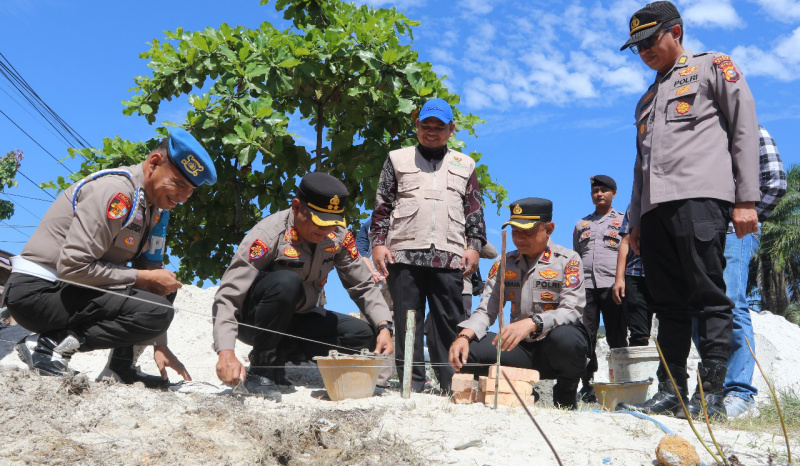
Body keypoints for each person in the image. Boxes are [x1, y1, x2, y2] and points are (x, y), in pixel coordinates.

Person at [616, 1, 761, 419]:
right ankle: (672, 390)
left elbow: (743, 126)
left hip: (701, 199)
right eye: (636, 47)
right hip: (656, 212)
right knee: (668, 303)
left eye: (650, 41)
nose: (644, 52)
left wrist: (745, 199)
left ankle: (711, 393)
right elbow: (639, 167)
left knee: (709, 296)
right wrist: (636, 222)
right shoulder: (645, 100)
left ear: (675, 32)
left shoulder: (713, 66)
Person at [3, 128, 216, 387]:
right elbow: (73, 266)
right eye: (179, 184)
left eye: (190, 190)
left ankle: (121, 368)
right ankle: (48, 344)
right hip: (38, 292)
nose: (183, 197)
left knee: (164, 288)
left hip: (69, 290)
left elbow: (152, 274)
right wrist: (140, 277)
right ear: (154, 163)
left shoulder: (154, 209)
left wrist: (160, 343)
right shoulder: (117, 192)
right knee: (153, 300)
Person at [213, 172, 394, 401]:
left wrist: (384, 326)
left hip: (298, 319)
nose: (325, 232)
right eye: (319, 223)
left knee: (360, 335)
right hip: (254, 320)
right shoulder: (269, 234)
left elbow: (363, 286)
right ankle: (261, 369)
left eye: (332, 224)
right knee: (287, 282)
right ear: (297, 207)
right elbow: (228, 295)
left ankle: (282, 355)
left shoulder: (337, 237)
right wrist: (225, 351)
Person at [371, 97, 487, 393]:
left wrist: (473, 247)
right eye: (426, 125)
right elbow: (383, 205)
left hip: (449, 258)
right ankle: (411, 386)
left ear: (451, 129)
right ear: (417, 125)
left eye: (439, 126)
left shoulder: (464, 164)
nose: (431, 131)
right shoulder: (397, 159)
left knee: (449, 323)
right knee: (407, 321)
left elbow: (474, 210)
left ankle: (452, 387)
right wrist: (378, 244)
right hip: (404, 254)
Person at [449, 198, 591, 409]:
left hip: (554, 348)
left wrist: (532, 323)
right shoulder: (503, 263)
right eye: (515, 231)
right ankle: (521, 390)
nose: (519, 238)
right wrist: (463, 336)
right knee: (470, 350)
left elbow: (572, 309)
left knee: (568, 339)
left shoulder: (569, 260)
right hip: (520, 349)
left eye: (527, 232)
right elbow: (487, 309)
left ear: (549, 229)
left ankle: (566, 391)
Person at [692, 125, 787, 417]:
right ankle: (712, 392)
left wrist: (748, 219)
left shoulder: (750, 130)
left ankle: (740, 394)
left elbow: (776, 179)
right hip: (699, 230)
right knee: (699, 308)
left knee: (731, 304)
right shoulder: (699, 134)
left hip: (734, 231)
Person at [573, 175, 628, 403]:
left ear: (613, 193)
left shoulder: (624, 221)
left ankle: (622, 383)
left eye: (604, 190)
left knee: (617, 335)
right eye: (596, 191)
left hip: (613, 286)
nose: (599, 194)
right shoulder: (581, 224)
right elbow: (576, 255)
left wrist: (621, 280)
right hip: (585, 288)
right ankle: (587, 385)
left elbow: (629, 253)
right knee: (586, 337)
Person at [354, 216, 395, 388]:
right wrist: (374, 273)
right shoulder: (369, 224)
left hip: (382, 284)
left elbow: (360, 251)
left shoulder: (370, 222)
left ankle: (378, 381)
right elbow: (359, 250)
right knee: (377, 330)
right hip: (374, 284)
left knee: (384, 331)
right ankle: (371, 379)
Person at [612, 207, 654, 347]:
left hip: (664, 273)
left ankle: (671, 368)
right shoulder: (634, 207)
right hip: (634, 273)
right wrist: (619, 278)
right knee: (638, 332)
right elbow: (625, 242)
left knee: (671, 323)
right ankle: (639, 367)